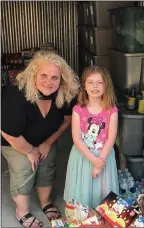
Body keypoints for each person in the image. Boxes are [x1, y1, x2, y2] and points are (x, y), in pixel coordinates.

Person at [1, 51, 80, 227]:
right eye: (43, 75)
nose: (49, 82)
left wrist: (47, 143)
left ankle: (46, 202)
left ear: (62, 80)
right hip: (15, 141)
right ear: (33, 75)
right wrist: (30, 151)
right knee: (25, 166)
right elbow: (7, 132)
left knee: (48, 161)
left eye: (55, 77)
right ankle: (22, 211)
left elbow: (67, 120)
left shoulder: (64, 94)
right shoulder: (16, 96)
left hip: (43, 139)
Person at [64, 66, 119, 208]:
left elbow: (111, 138)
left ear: (106, 85)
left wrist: (100, 162)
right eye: (90, 82)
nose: (95, 86)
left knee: (102, 192)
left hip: (104, 157)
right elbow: (76, 139)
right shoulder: (77, 110)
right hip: (83, 157)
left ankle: (101, 219)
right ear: (84, 86)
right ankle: (82, 219)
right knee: (82, 191)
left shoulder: (112, 110)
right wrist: (94, 161)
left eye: (100, 82)